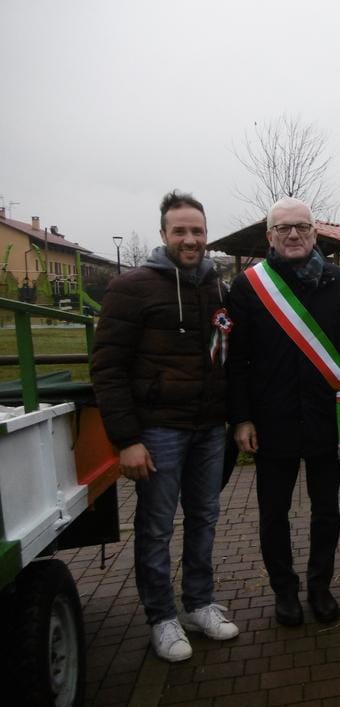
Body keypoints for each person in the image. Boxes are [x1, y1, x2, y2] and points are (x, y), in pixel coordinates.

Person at [91, 190, 238, 662]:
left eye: (197, 230)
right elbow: (108, 368)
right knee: (156, 527)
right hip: (158, 431)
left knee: (204, 518)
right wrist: (127, 440)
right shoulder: (131, 287)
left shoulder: (219, 289)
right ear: (163, 234)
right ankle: (161, 616)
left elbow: (227, 358)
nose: (190, 239)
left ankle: (199, 603)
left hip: (209, 428)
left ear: (206, 234)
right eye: (180, 231)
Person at [227, 198, 340, 627]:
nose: (293, 234)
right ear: (269, 236)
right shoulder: (248, 286)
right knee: (273, 515)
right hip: (272, 421)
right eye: (283, 228)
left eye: (302, 227)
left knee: (326, 511)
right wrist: (242, 417)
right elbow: (236, 361)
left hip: (327, 418)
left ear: (314, 233)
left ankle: (320, 586)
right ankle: (284, 591)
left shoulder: (338, 281)